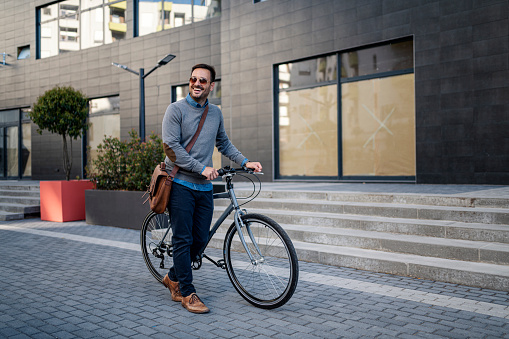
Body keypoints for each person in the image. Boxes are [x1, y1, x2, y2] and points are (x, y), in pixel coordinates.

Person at [161, 64, 262, 313]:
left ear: (211, 85)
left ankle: (172, 277)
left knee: (201, 239)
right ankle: (187, 292)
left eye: (202, 81)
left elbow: (223, 143)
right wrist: (200, 167)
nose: (197, 83)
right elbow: (171, 148)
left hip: (204, 186)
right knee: (183, 240)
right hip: (180, 183)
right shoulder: (175, 110)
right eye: (193, 79)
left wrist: (244, 161)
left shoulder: (215, 113)